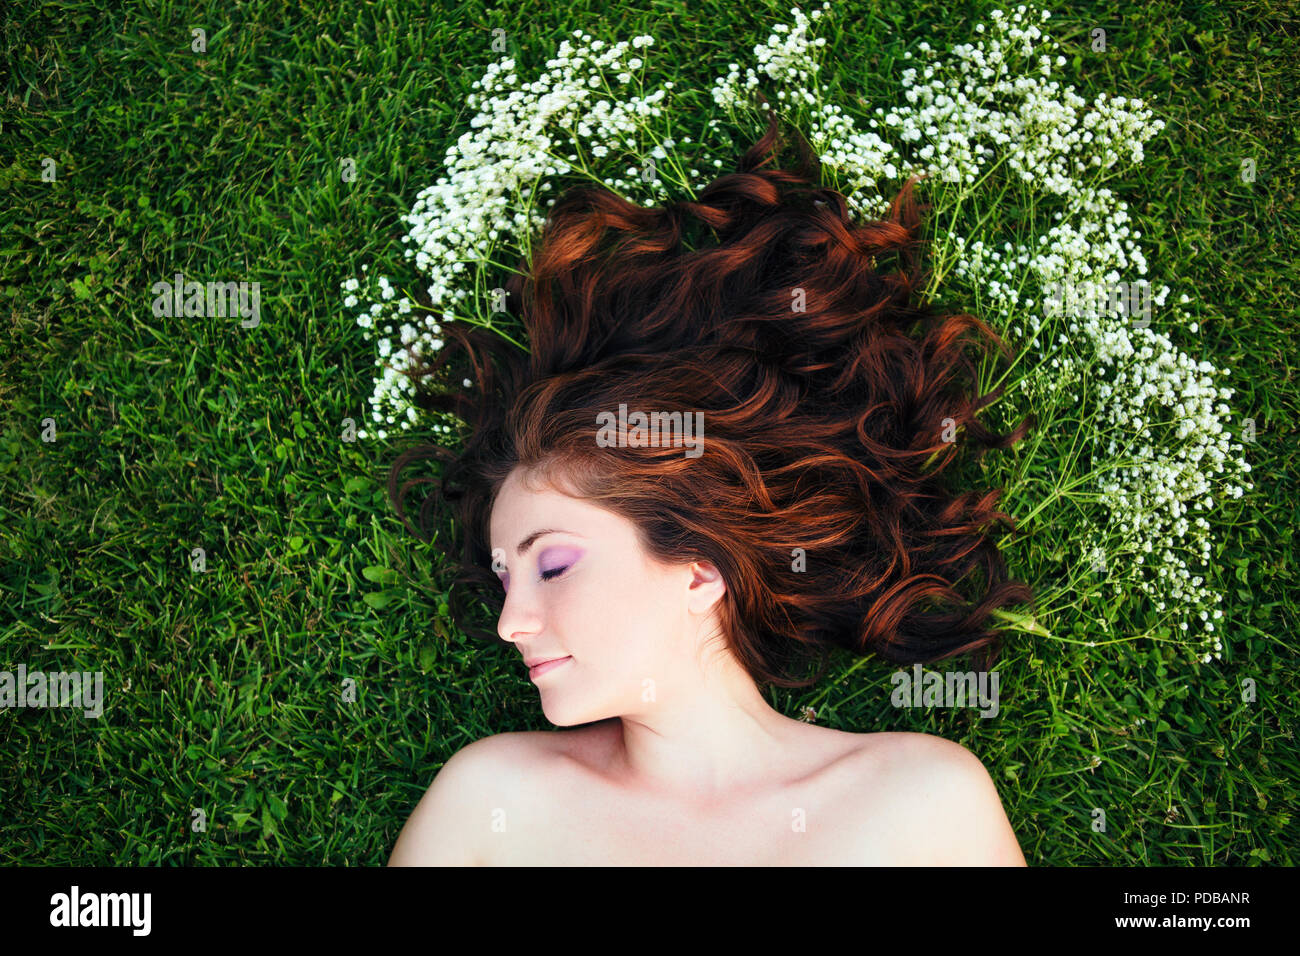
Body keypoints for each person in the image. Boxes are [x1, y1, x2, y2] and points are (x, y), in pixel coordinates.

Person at [385, 107, 1034, 865]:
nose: (510, 622)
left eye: (552, 565)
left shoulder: (920, 802)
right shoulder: (492, 800)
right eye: (506, 578)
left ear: (699, 570)